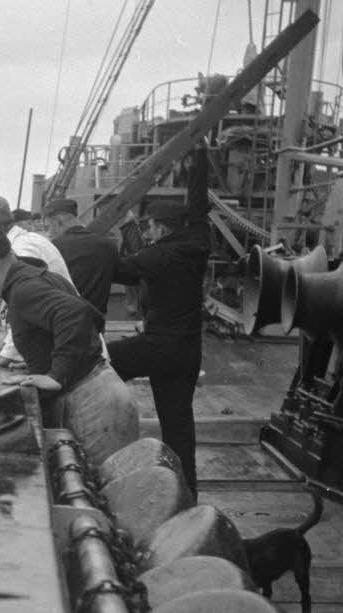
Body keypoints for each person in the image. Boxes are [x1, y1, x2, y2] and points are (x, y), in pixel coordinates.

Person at [0, 226, 139, 467]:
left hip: (95, 406)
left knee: (103, 481)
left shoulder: (23, 290)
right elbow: (93, 316)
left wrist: (56, 374)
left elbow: (74, 313)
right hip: (105, 391)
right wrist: (37, 356)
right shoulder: (38, 277)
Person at [108, 147, 210, 497]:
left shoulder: (159, 255)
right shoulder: (197, 240)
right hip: (189, 351)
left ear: (162, 227)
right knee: (178, 426)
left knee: (98, 363)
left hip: (160, 347)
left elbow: (121, 271)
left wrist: (96, 248)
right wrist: (200, 157)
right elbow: (199, 205)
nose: (148, 231)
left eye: (150, 226)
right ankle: (188, 494)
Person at [0, 195, 73, 367]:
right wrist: (5, 336)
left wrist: (9, 352)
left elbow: (27, 301)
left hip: (69, 351)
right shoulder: (28, 240)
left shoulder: (21, 250)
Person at [42, 197, 119, 318]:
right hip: (97, 321)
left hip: (64, 320)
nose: (49, 233)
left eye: (48, 227)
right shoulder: (108, 246)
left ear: (58, 222)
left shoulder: (53, 248)